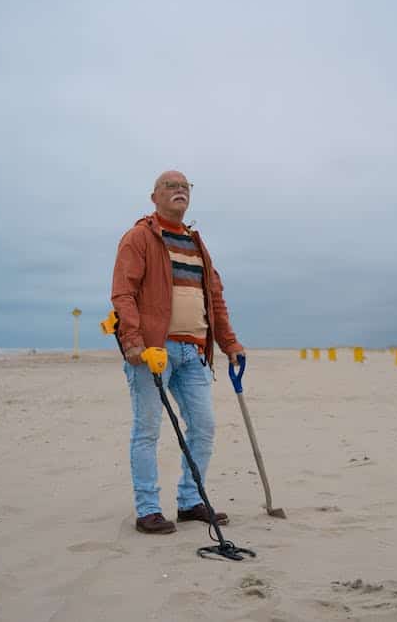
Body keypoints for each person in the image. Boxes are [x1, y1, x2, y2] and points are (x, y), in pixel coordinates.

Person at [111, 170, 245, 534]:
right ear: (154, 196)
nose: (179, 190)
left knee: (204, 427)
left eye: (185, 187)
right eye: (171, 186)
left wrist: (229, 344)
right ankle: (148, 510)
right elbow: (123, 292)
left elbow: (214, 299)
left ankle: (190, 501)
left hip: (194, 351)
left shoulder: (197, 245)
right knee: (147, 430)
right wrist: (133, 341)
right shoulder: (139, 237)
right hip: (153, 351)